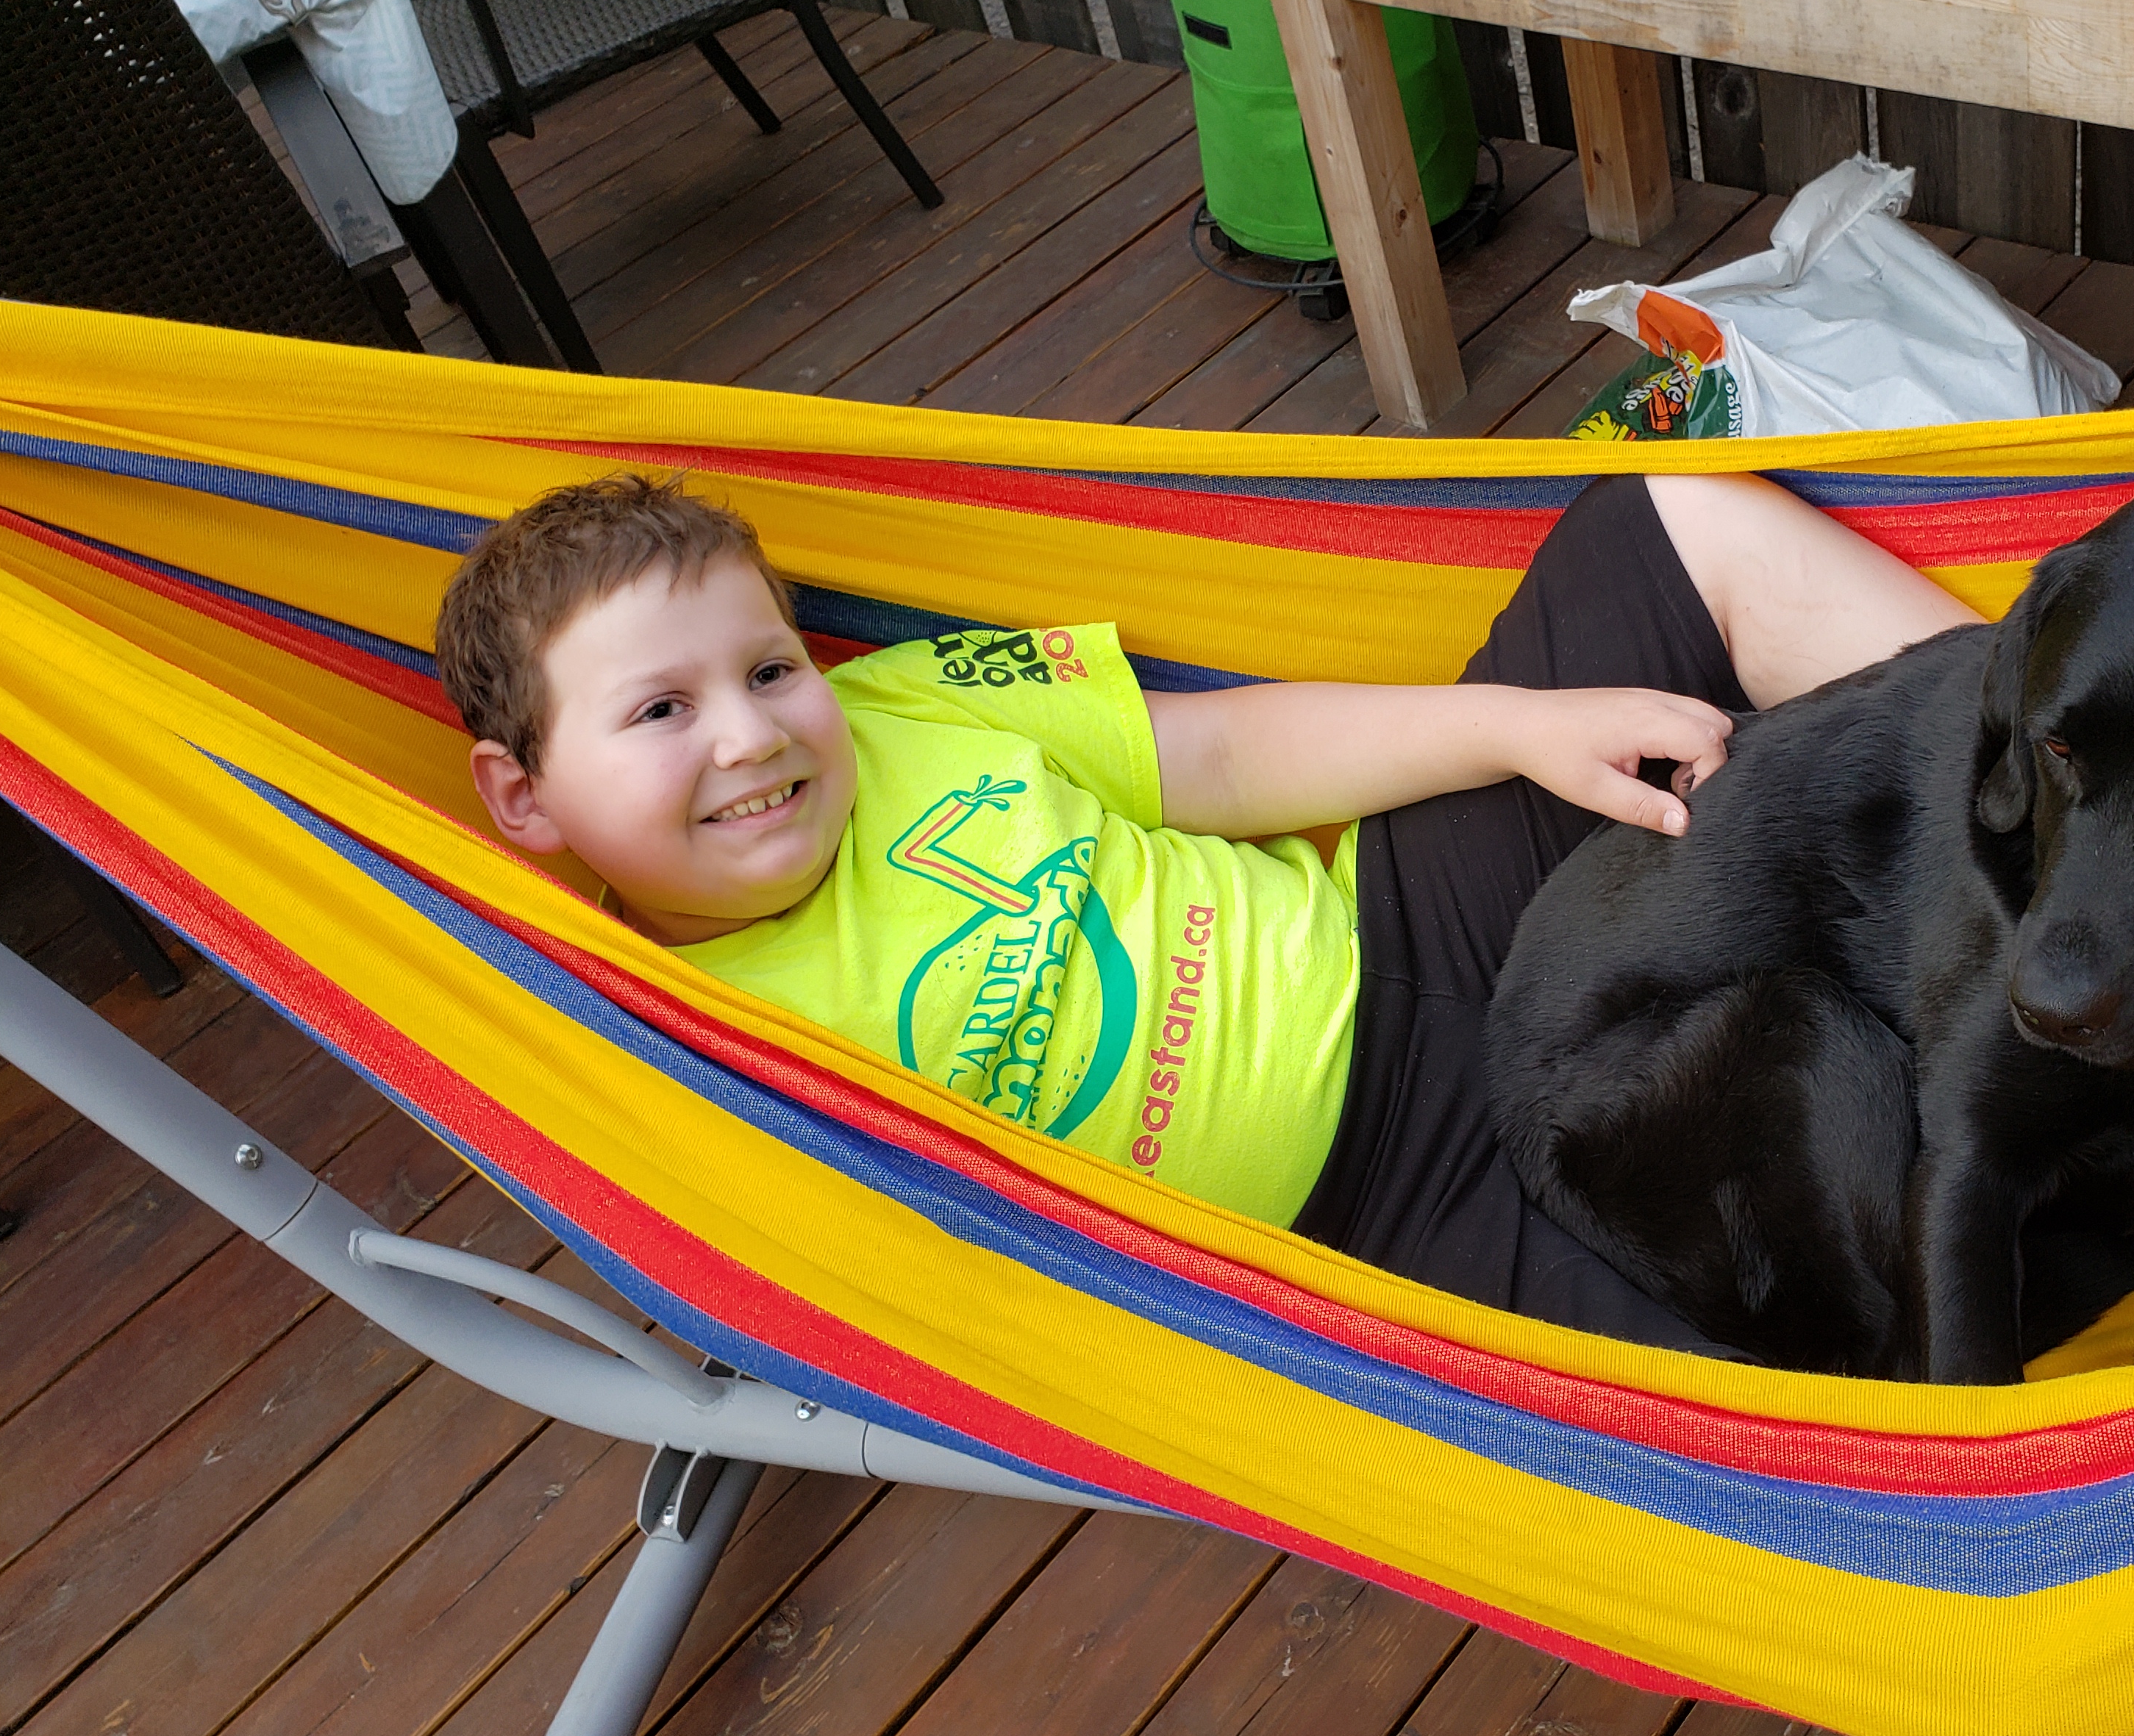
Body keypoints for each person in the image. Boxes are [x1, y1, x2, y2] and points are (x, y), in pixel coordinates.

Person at [435, 468, 1977, 1357]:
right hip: (1372, 1217)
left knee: (1678, 517)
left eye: (767, 668)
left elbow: (1221, 751)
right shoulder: (675, 1049)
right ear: (526, 800)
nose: (756, 732)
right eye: (660, 711)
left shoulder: (900, 704)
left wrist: (1515, 725)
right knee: (1798, 1412)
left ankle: (2079, 794)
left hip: (1404, 923)